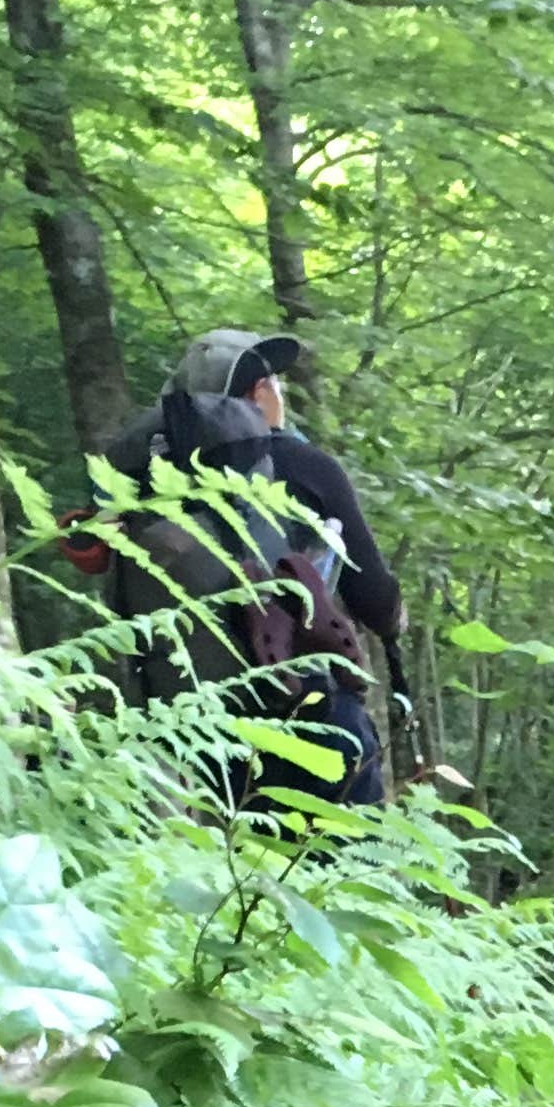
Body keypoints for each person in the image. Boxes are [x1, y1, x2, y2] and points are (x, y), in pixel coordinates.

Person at [96, 329, 400, 805]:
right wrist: (391, 621)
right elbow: (375, 597)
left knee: (255, 865)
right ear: (260, 393)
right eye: (273, 381)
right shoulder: (302, 464)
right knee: (347, 863)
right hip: (312, 705)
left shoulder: (144, 482)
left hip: (203, 730)